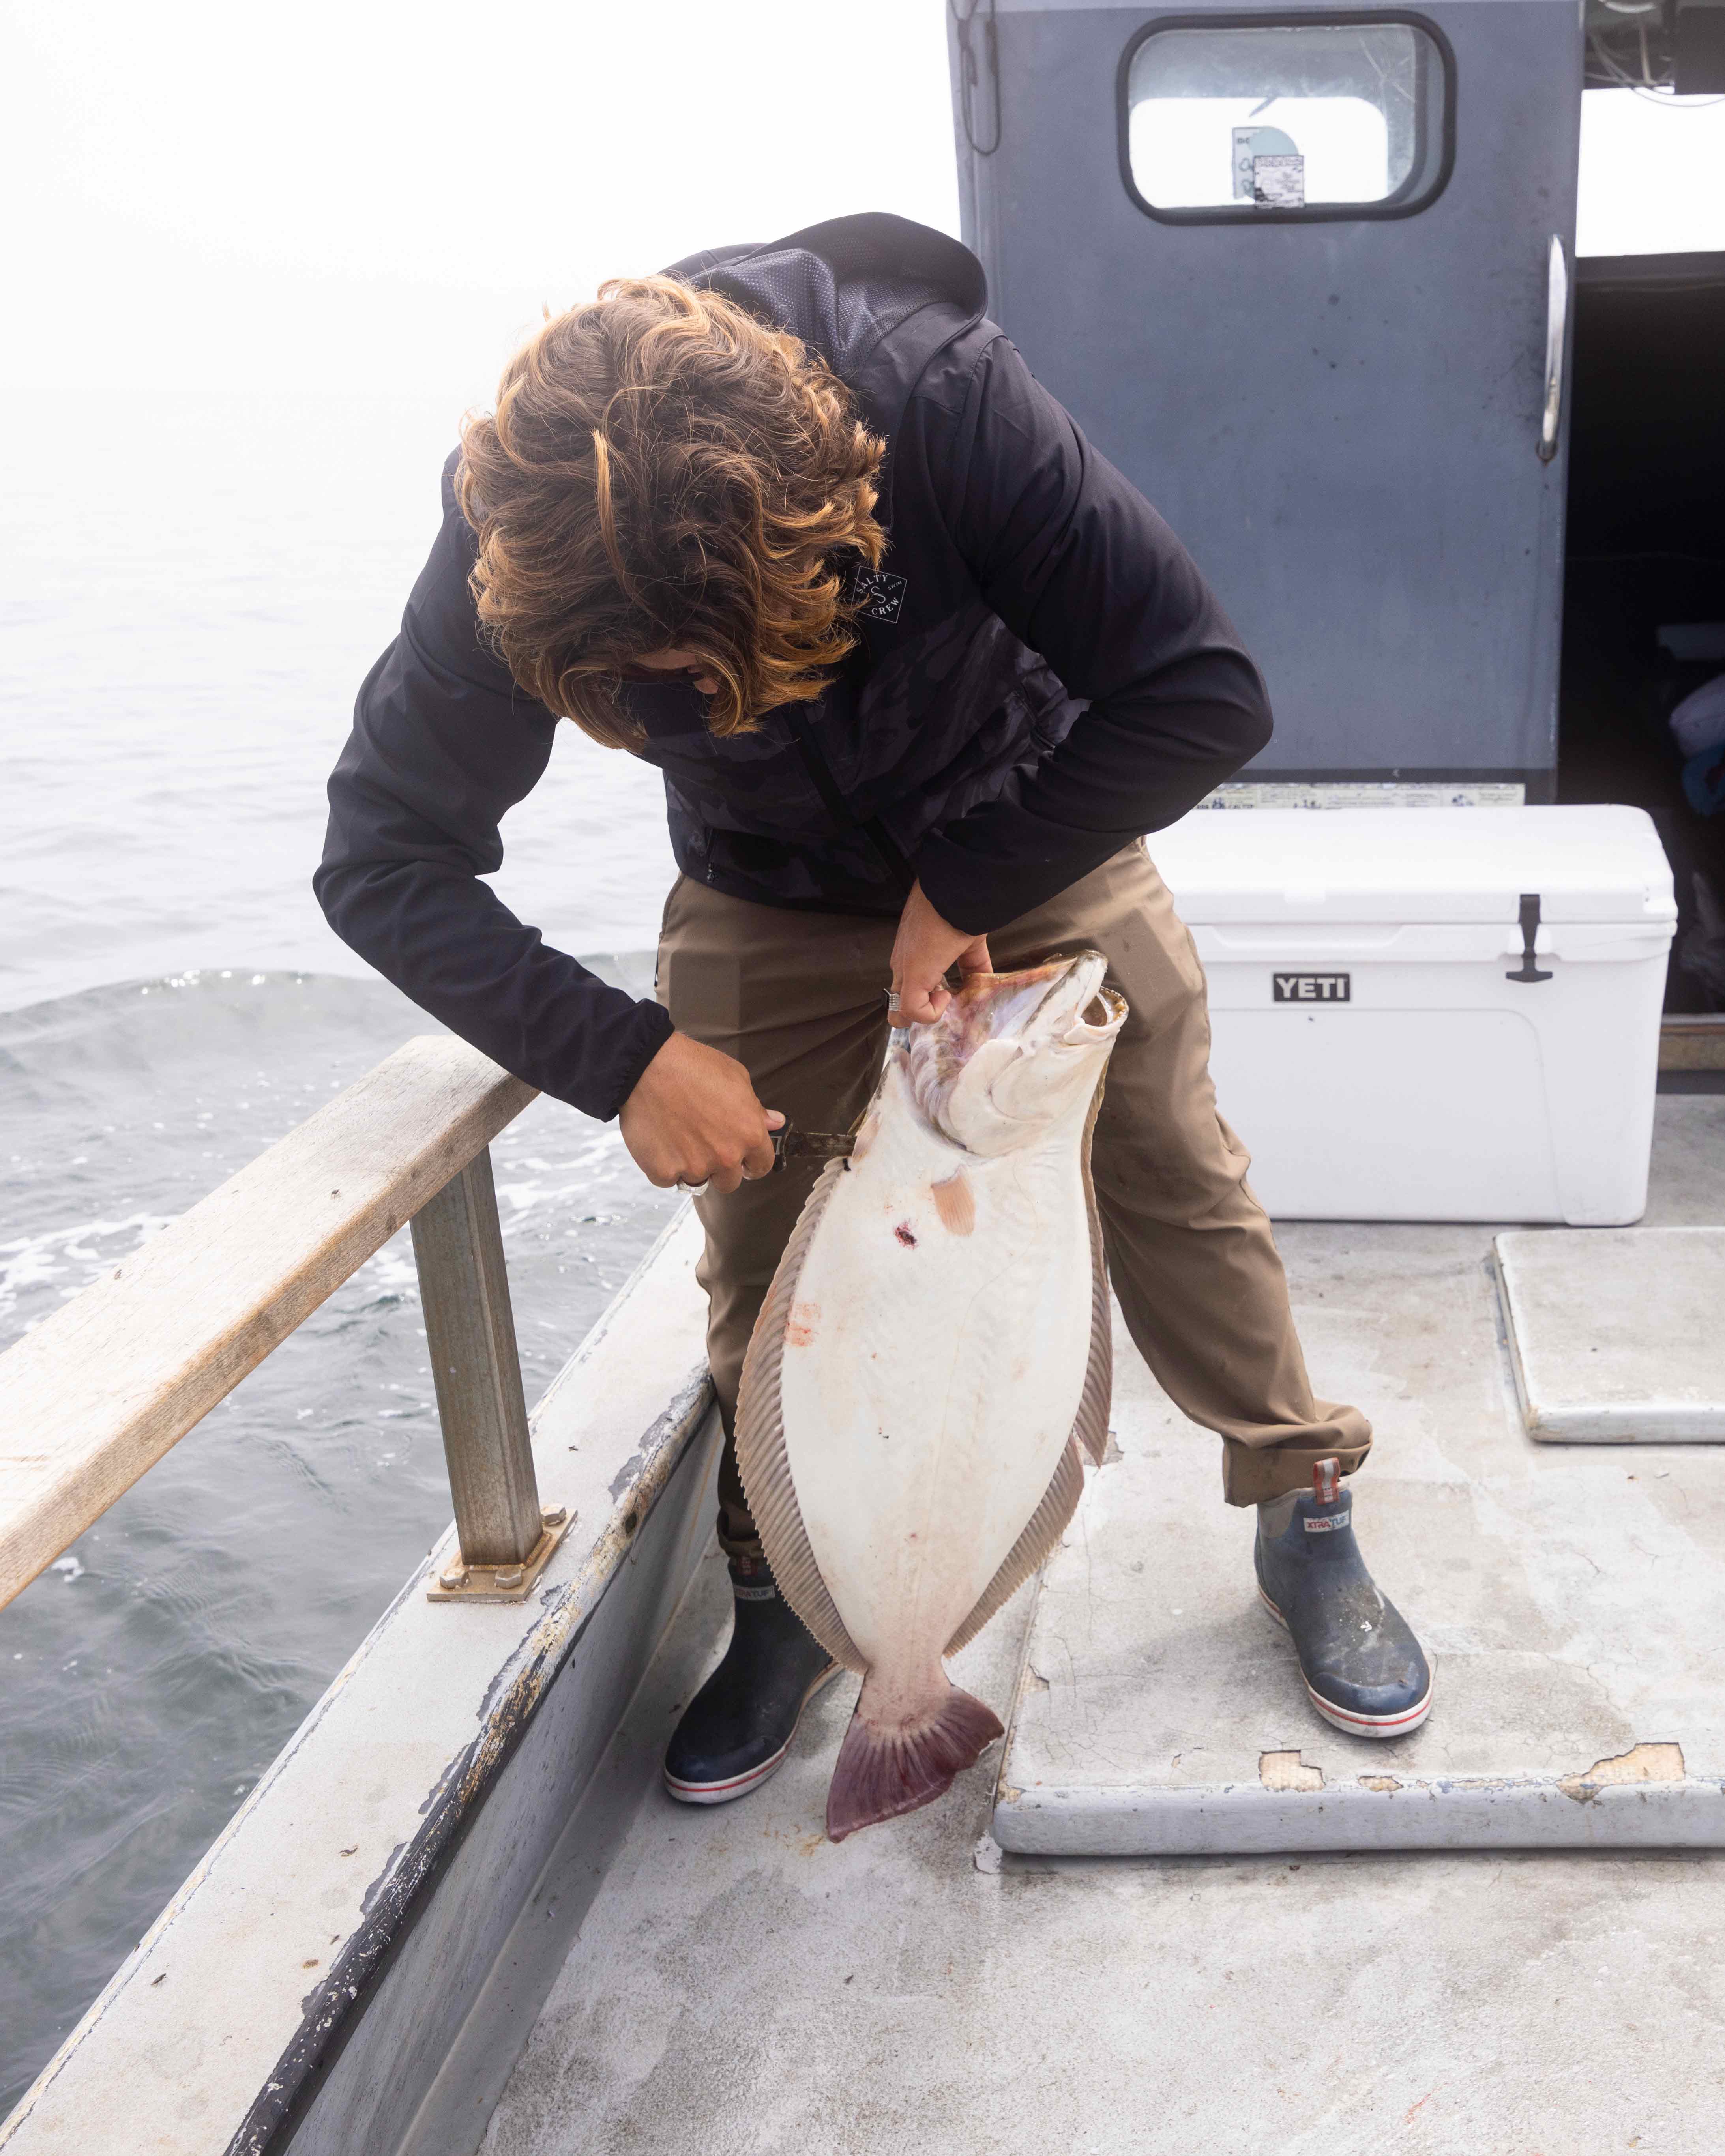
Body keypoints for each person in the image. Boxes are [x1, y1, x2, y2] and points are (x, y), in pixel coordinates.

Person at [317, 213, 1431, 1805]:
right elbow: (382, 859)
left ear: (838, 525)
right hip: (761, 885)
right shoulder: (522, 536)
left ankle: (1299, 1493)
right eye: (653, 698)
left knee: (1172, 1169)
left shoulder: (947, 404)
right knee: (766, 1251)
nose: (705, 714)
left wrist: (966, 880)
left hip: (1024, 813)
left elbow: (1199, 691)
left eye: (724, 673)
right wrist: (621, 1055)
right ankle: (788, 1595)